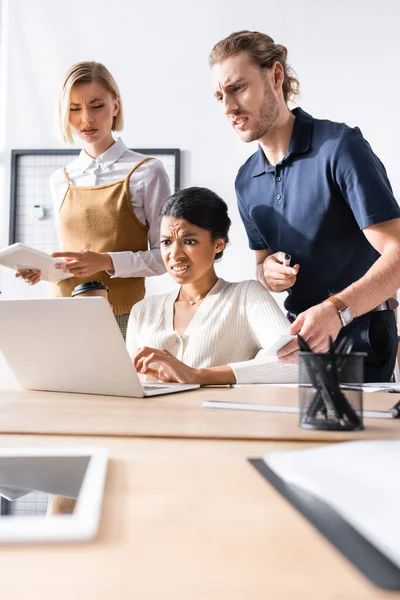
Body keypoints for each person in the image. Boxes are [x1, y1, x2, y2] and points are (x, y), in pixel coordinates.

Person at [209, 30, 400, 382]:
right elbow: (261, 268)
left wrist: (337, 312)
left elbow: (398, 253)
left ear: (276, 75)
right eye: (220, 95)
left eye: (238, 88)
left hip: (361, 340)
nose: (228, 107)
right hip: (293, 347)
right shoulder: (245, 179)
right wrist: (268, 272)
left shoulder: (340, 147)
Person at [16, 61, 170, 338]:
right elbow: (70, 256)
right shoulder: (60, 178)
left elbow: (164, 258)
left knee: (119, 382)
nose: (86, 119)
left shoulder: (147, 171)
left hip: (121, 314)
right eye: (74, 109)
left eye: (97, 106)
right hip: (63, 312)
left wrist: (105, 261)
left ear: (115, 107)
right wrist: (45, 270)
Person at [127, 187, 297, 385]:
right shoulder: (143, 311)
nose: (174, 254)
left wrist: (197, 376)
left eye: (189, 241)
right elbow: (130, 385)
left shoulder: (246, 297)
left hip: (217, 416)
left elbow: (297, 364)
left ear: (218, 244)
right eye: (166, 242)